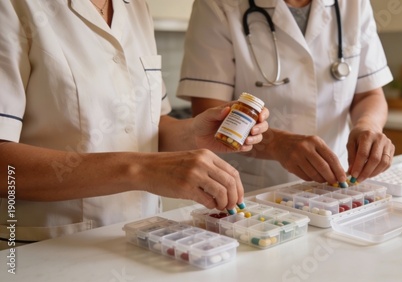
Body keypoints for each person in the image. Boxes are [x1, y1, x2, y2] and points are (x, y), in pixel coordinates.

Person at [0, 0, 268, 249]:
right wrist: (140, 169)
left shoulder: (135, 7)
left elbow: (150, 125)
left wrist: (193, 134)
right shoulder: (13, 7)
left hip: (146, 238)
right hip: (51, 248)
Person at [176, 0, 395, 191]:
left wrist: (368, 127)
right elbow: (209, 112)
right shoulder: (218, 4)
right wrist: (276, 144)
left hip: (336, 180)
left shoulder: (353, 4)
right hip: (256, 187)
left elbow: (369, 94)